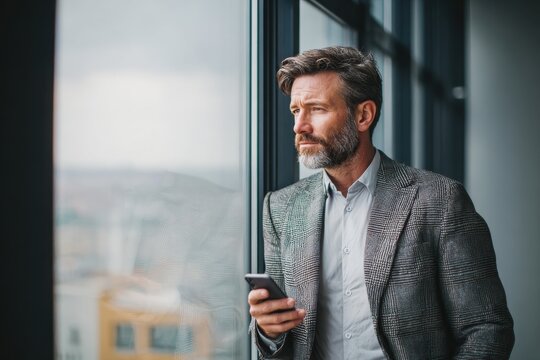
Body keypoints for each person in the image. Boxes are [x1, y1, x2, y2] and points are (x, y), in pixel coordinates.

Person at [247, 46, 514, 359]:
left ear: (363, 115)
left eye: (316, 109)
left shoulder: (439, 201)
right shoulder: (279, 209)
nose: (299, 126)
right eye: (296, 111)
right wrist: (269, 331)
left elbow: (487, 329)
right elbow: (281, 337)